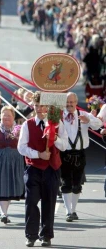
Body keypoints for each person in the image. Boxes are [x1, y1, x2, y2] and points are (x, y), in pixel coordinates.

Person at [18, 91, 68, 247]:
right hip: (33, 168)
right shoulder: (28, 124)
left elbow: (64, 146)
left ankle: (46, 235)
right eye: (36, 106)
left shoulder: (57, 123)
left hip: (51, 169)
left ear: (48, 107)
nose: (40, 109)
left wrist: (53, 138)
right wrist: (38, 154)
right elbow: (21, 148)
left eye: (43, 106)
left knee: (49, 202)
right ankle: (31, 235)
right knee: (31, 202)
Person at [61, 92, 102, 222]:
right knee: (66, 183)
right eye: (67, 102)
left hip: (80, 153)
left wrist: (89, 120)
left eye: (72, 102)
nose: (69, 104)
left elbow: (98, 125)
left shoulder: (83, 114)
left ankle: (73, 209)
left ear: (76, 102)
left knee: (77, 183)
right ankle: (68, 211)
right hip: (64, 153)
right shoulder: (60, 115)